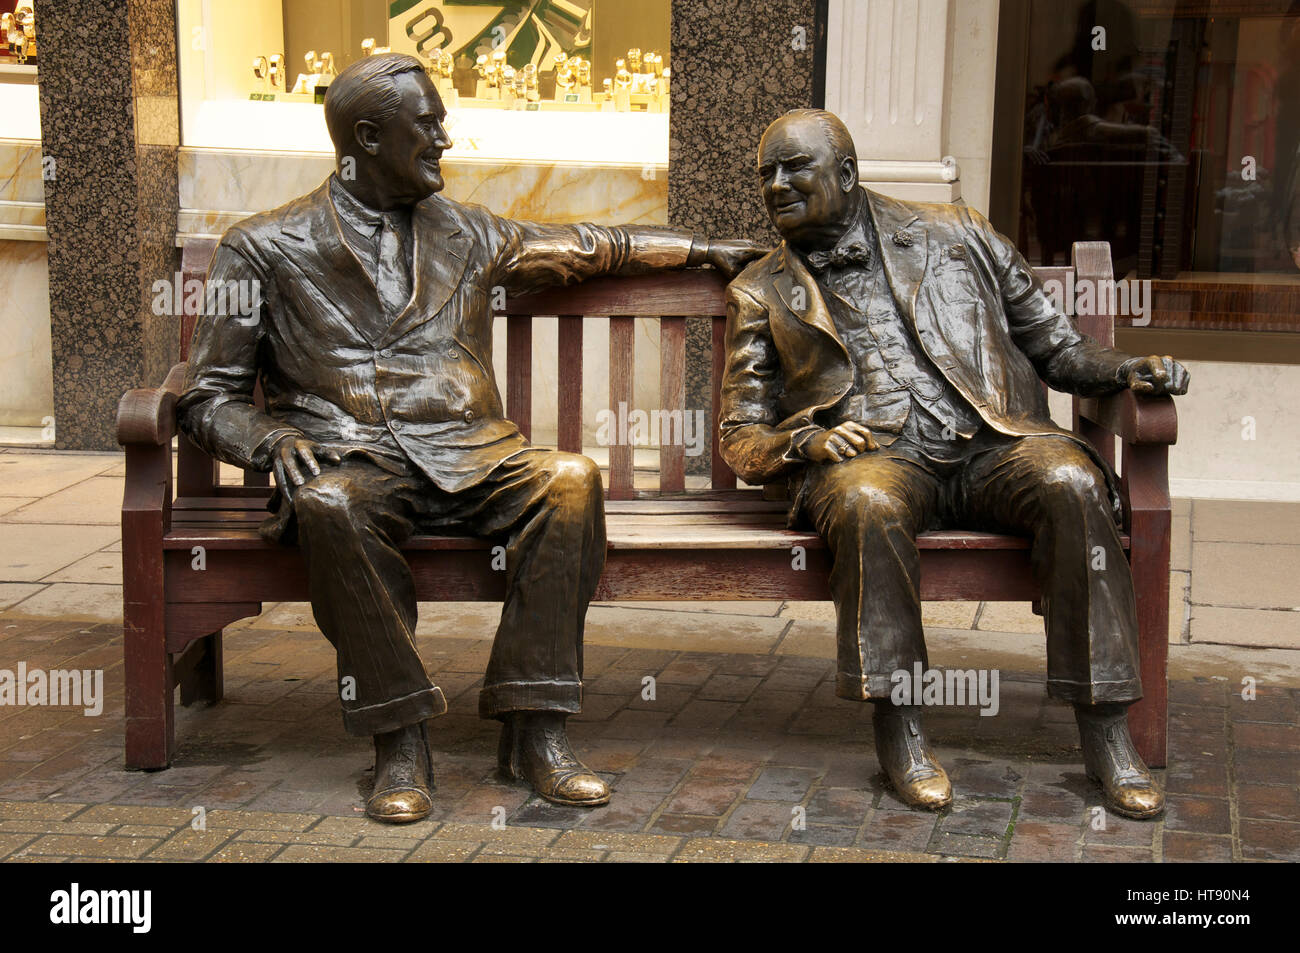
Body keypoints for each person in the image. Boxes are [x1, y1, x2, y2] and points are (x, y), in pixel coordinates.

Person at [178, 53, 761, 823]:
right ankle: (400, 738)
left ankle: (534, 729)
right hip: (355, 461)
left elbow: (588, 245)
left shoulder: (469, 231)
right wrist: (266, 440)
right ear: (367, 137)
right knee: (328, 504)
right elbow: (205, 395)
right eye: (428, 125)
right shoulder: (264, 245)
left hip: (473, 455)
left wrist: (697, 251)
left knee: (571, 481)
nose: (445, 139)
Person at [719, 109, 1189, 819]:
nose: (776, 185)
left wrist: (1129, 369)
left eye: (794, 169)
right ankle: (902, 730)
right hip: (875, 459)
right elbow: (739, 434)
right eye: (766, 175)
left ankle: (1106, 734)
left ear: (846, 174)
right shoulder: (758, 290)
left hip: (990, 444)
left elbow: (1058, 351)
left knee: (1070, 478)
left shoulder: (958, 232)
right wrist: (805, 444)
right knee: (867, 501)